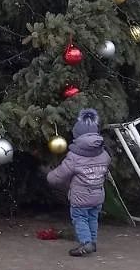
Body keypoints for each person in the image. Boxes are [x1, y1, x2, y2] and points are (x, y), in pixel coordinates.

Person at [46, 108, 112, 257]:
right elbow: (106, 165)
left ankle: (86, 243)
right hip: (98, 194)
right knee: (93, 218)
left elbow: (61, 174)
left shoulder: (74, 157)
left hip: (80, 197)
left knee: (80, 218)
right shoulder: (104, 154)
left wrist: (50, 177)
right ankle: (92, 242)